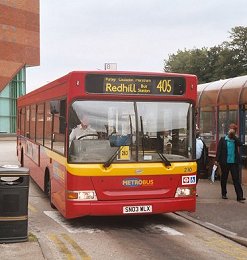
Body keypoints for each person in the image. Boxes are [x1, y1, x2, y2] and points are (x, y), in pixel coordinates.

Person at [215, 123, 246, 202]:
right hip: (224, 162)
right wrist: (216, 161)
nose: (232, 131)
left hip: (233, 162)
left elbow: (241, 144)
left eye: (234, 130)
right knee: (224, 178)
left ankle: (239, 196)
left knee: (236, 179)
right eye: (231, 129)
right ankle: (224, 193)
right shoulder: (223, 139)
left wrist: (234, 137)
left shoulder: (235, 140)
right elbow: (219, 151)